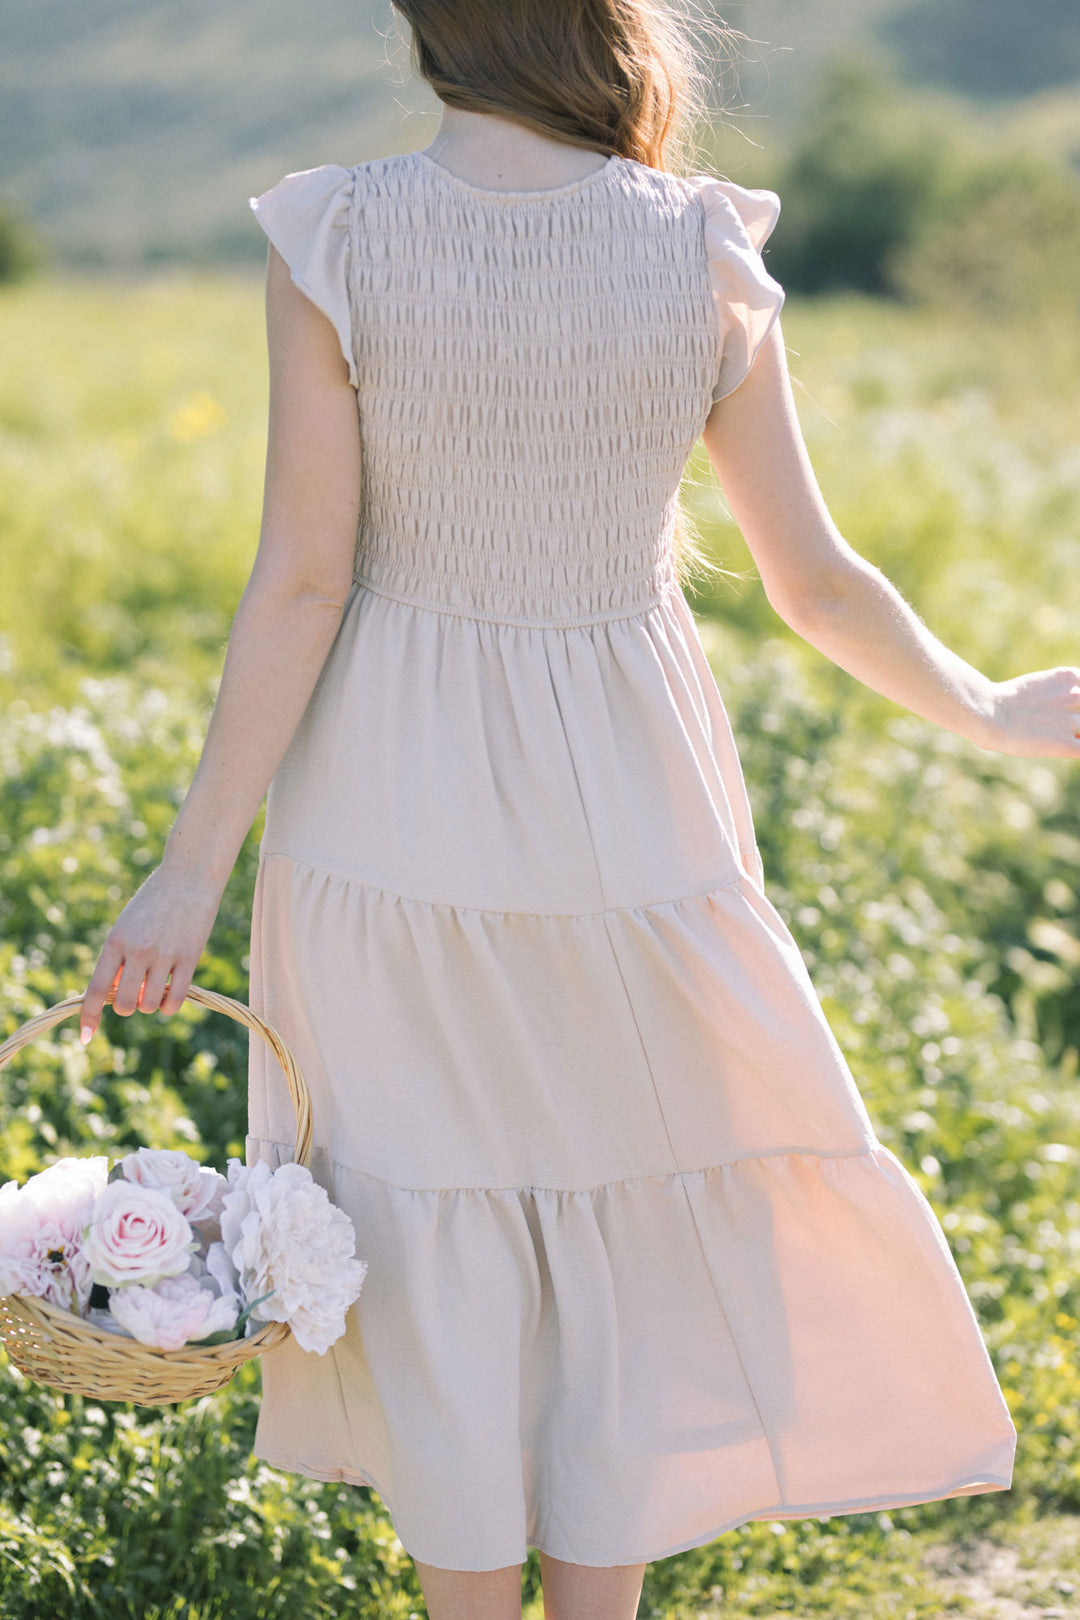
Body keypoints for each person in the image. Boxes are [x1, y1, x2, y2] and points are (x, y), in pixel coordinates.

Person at [79, 3, 1079, 1617]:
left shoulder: (335, 236)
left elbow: (307, 581)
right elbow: (809, 578)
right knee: (622, 1214)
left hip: (385, 809)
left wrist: (187, 874)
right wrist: (980, 704)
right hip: (635, 801)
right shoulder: (697, 244)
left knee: (425, 1241)